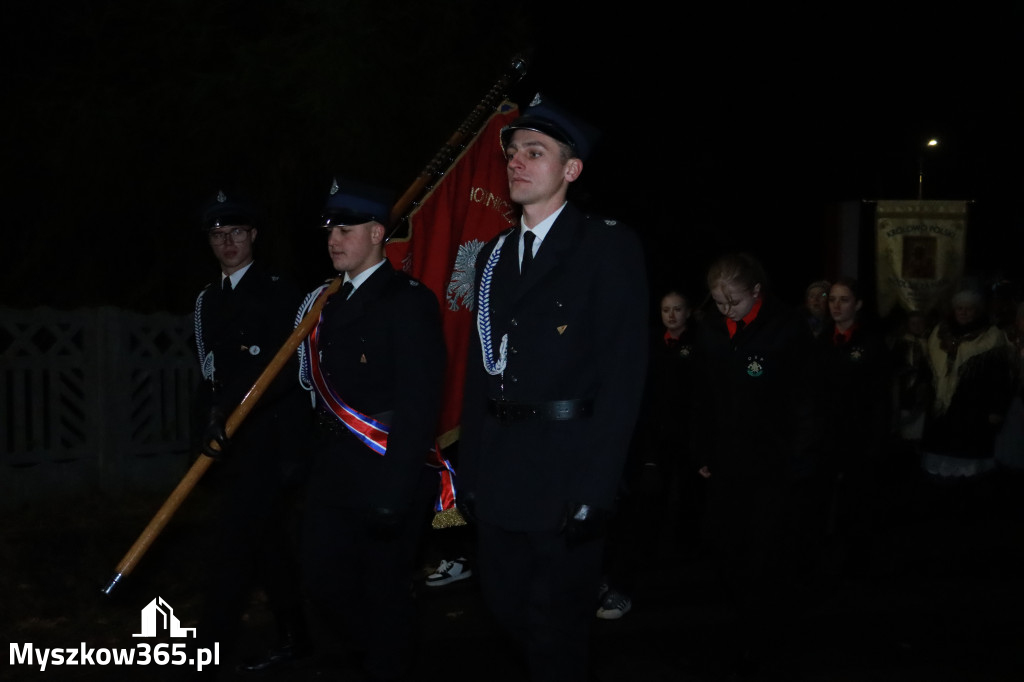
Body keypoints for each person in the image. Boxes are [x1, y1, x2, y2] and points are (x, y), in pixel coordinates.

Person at [457, 94, 648, 682]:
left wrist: (598, 482)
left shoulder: (606, 246)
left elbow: (624, 373)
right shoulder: (493, 255)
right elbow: (479, 370)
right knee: (505, 607)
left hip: (567, 467)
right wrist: (470, 467)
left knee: (557, 630)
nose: (516, 163)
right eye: (513, 152)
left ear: (571, 169)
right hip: (501, 468)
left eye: (534, 153)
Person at [296, 178, 446, 682]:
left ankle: (390, 662)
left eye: (346, 228)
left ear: (378, 233)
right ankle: (383, 655)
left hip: (386, 473)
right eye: (329, 230)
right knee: (321, 580)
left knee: (383, 590)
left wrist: (396, 489)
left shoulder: (407, 300)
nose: (334, 239)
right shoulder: (327, 304)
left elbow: (420, 400)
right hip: (333, 473)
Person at [189, 190, 313, 674]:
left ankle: (211, 647)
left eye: (236, 233)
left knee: (233, 545)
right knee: (267, 544)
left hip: (270, 439)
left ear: (254, 235)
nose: (228, 243)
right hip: (231, 445)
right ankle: (295, 634)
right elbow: (208, 372)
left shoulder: (283, 292)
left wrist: (292, 451)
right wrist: (208, 422)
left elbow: (294, 372)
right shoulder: (207, 301)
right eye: (218, 236)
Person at [692, 252, 815, 678]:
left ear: (757, 292)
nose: (726, 310)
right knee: (723, 543)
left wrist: (797, 458)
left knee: (765, 555)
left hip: (771, 463)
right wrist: (703, 452)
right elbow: (703, 397)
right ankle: (743, 622)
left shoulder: (787, 327)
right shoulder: (709, 327)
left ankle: (765, 639)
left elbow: (805, 399)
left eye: (735, 303)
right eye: (719, 302)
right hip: (725, 463)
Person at [808, 277, 894, 578]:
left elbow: (880, 400)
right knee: (820, 504)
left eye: (843, 300)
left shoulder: (871, 343)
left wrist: (876, 443)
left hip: (859, 439)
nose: (836, 306)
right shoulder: (821, 341)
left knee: (857, 506)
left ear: (857, 304)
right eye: (832, 299)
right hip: (826, 439)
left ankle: (857, 564)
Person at [918, 284, 1016, 522]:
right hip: (943, 414)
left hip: (973, 412)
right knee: (939, 472)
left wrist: (996, 410)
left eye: (969, 309)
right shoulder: (939, 334)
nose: (963, 313)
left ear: (977, 311)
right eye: (959, 308)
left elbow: (1002, 379)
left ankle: (968, 514)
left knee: (970, 471)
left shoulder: (991, 338)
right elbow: (927, 370)